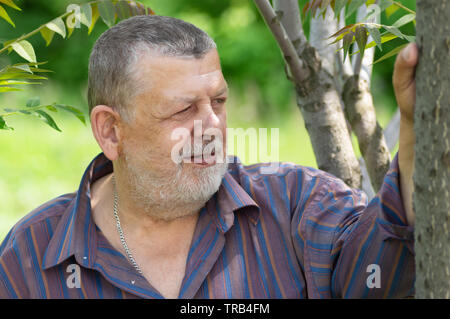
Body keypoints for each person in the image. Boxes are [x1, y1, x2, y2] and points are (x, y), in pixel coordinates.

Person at [0, 15, 417, 299]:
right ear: (111, 130)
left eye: (218, 101)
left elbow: (382, 275)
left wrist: (416, 132)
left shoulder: (295, 206)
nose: (212, 125)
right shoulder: (33, 256)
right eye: (182, 110)